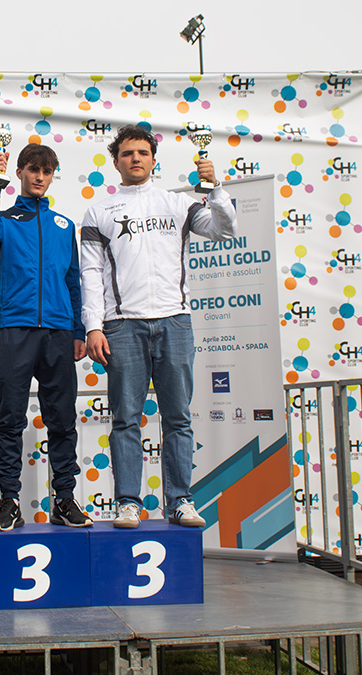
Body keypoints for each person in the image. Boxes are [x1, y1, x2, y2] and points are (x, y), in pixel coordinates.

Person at [79, 125, 237, 527]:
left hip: (174, 322)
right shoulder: (99, 212)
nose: (135, 158)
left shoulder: (178, 203)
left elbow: (223, 230)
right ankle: (127, 502)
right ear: (115, 161)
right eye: (127, 153)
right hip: (122, 326)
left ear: (153, 160)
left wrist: (216, 189)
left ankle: (180, 500)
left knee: (178, 417)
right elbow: (90, 273)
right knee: (125, 419)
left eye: (143, 153)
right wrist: (93, 326)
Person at [0, 143, 91, 530]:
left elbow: (73, 281)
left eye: (46, 171)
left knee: (63, 421)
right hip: (16, 330)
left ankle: (65, 499)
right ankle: (9, 502)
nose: (39, 177)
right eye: (33, 170)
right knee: (10, 420)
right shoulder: (5, 219)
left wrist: (78, 330)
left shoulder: (64, 225)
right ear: (20, 172)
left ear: (52, 176)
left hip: (59, 333)